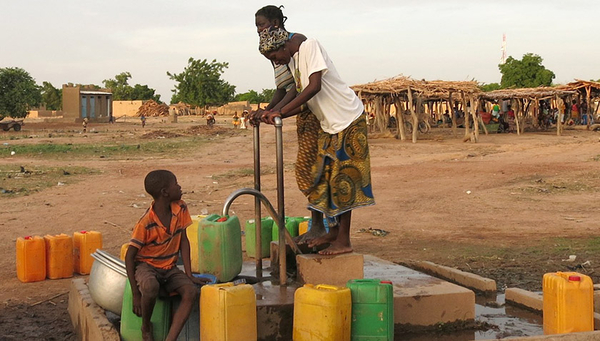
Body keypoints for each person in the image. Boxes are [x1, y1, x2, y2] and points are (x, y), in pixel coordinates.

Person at [255, 27, 375, 255]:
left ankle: (344, 240)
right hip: (329, 125)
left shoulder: (309, 47)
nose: (276, 61)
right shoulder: (293, 61)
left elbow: (314, 86)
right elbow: (304, 103)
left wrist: (280, 111)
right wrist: (274, 113)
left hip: (347, 118)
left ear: (282, 46)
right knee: (325, 179)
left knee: (344, 181)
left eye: (274, 56)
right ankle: (333, 231)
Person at [254, 5, 334, 244]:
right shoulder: (276, 51)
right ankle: (322, 225)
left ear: (276, 22)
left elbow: (303, 87)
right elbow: (284, 88)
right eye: (256, 26)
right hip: (304, 113)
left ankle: (323, 226)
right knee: (311, 169)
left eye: (262, 24)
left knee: (313, 169)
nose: (259, 30)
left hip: (315, 112)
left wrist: (279, 111)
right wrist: (269, 110)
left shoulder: (298, 44)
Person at [125, 170, 208, 341]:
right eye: (176, 184)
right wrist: (135, 294)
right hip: (147, 266)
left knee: (190, 292)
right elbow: (129, 256)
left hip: (169, 267)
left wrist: (189, 274)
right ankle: (146, 325)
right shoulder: (145, 223)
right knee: (150, 286)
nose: (180, 187)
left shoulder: (181, 208)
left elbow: (184, 240)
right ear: (165, 192)